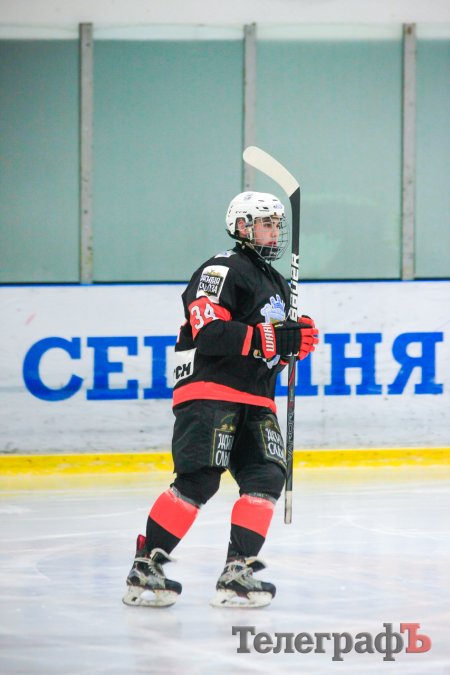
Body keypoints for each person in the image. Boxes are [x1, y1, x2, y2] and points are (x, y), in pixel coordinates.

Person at [123, 191, 319, 608]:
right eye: (266, 223)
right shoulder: (221, 268)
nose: (275, 231)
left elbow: (270, 348)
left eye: (277, 224)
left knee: (267, 476)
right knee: (199, 478)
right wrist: (268, 338)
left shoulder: (277, 283)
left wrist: (293, 345)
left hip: (256, 397)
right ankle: (146, 565)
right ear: (243, 227)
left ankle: (237, 571)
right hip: (211, 389)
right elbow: (210, 333)